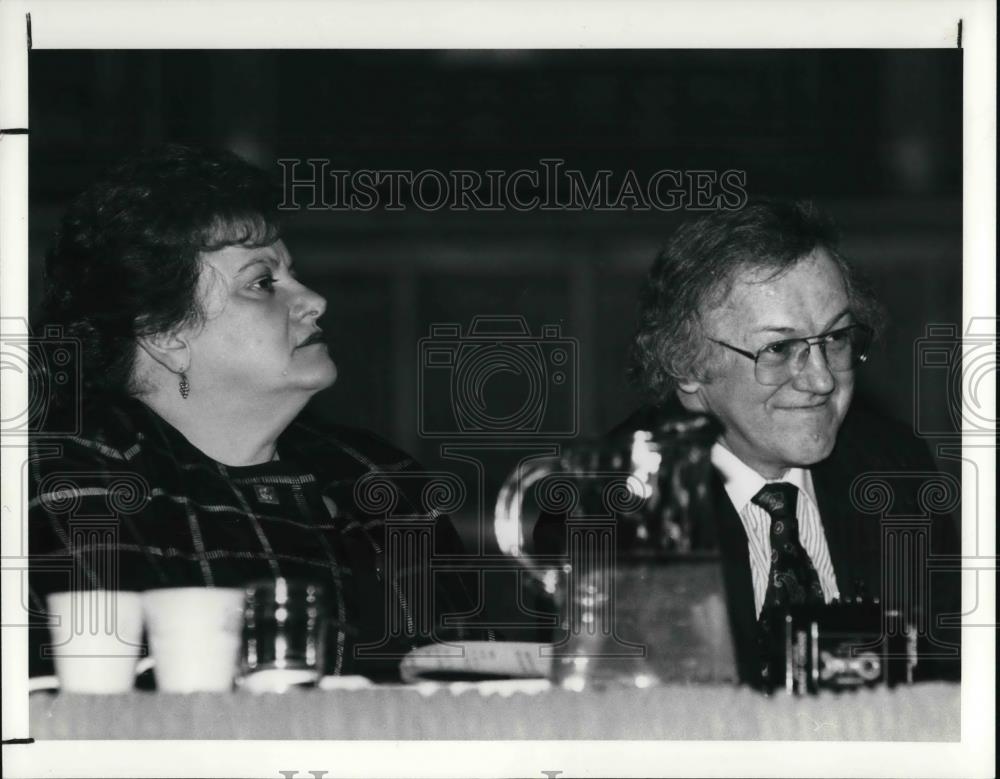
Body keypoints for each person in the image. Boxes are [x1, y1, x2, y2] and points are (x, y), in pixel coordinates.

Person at [27, 144, 482, 684]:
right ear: (165, 335)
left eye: (293, 274)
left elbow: (473, 687)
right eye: (263, 283)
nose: (313, 300)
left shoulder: (379, 478)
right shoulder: (70, 470)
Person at [624, 200, 961, 684]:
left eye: (836, 338)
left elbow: (945, 683)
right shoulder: (617, 504)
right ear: (687, 363)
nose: (822, 380)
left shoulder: (894, 471)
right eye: (779, 348)